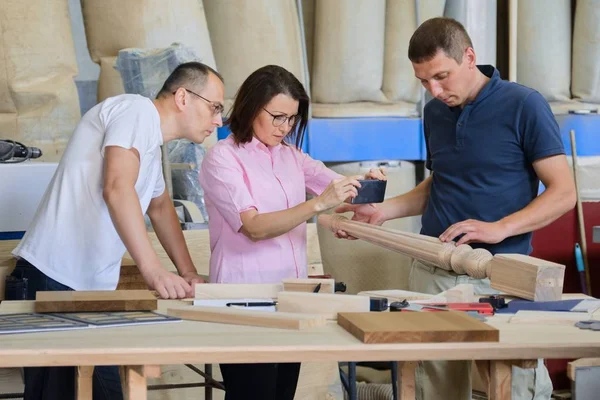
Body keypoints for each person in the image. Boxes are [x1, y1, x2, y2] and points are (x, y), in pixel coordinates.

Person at [335, 17, 576, 400]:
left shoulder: (523, 104)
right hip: (432, 272)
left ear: (469, 57)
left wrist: (499, 227)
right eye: (423, 81)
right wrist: (383, 211)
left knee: (518, 389)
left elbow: (564, 193)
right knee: (436, 390)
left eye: (442, 76)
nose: (434, 90)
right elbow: (440, 183)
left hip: (501, 275)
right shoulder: (434, 114)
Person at [11, 61, 225, 400]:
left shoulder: (150, 149)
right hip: (54, 278)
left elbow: (160, 207)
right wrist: (154, 273)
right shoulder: (136, 110)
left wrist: (187, 271)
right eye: (215, 107)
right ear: (183, 97)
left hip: (93, 292)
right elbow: (116, 187)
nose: (219, 120)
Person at [198, 64, 385, 400]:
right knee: (251, 396)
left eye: (292, 119)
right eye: (277, 117)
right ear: (252, 107)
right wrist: (318, 205)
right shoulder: (222, 159)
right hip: (243, 302)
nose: (285, 127)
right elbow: (253, 227)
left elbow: (341, 188)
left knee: (282, 394)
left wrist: (368, 183)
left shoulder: (293, 158)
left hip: (290, 299)